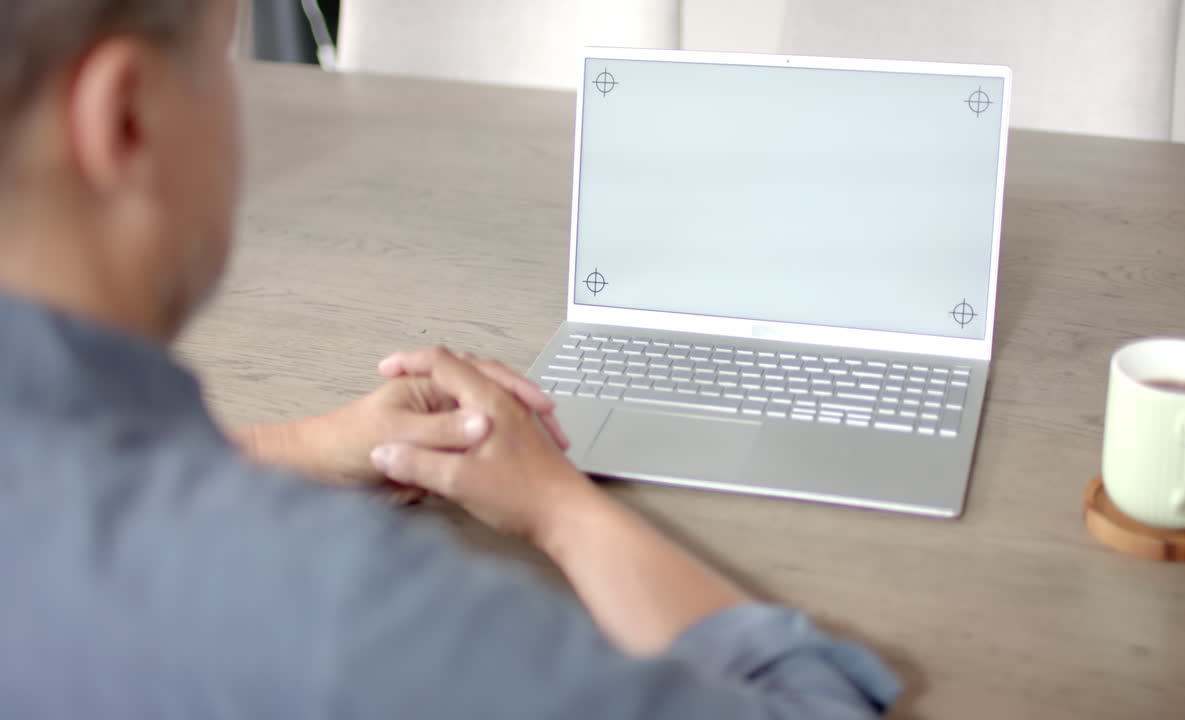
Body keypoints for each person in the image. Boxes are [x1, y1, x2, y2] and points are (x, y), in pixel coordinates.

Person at [0, 1, 900, 717]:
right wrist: (560, 508)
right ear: (125, 116)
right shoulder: (334, 611)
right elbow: (809, 702)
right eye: (223, 64)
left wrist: (312, 444)